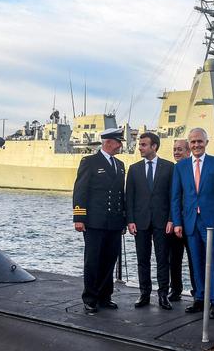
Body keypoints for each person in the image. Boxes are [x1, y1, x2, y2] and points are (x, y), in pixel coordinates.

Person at [171, 127, 214, 319]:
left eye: (199, 141)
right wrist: (177, 222)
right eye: (193, 142)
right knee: (195, 262)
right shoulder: (181, 166)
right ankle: (200, 298)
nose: (196, 145)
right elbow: (176, 197)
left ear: (206, 142)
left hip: (212, 223)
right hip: (190, 223)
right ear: (189, 144)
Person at [73, 127, 126, 315]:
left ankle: (105, 296)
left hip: (114, 222)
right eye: (119, 142)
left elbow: (121, 194)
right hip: (94, 222)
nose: (120, 146)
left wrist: (124, 220)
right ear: (108, 142)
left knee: (109, 260)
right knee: (93, 261)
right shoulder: (90, 162)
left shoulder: (120, 165)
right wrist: (79, 218)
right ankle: (90, 298)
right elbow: (80, 190)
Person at [126, 132, 174, 310]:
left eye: (144, 145)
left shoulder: (169, 167)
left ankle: (163, 295)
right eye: (140, 144)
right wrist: (130, 220)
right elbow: (129, 197)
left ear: (154, 146)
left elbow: (173, 197)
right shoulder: (134, 168)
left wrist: (171, 219)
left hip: (162, 222)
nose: (140, 147)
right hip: (140, 221)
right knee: (142, 259)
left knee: (163, 260)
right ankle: (144, 294)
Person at [168, 139, 195, 301]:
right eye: (174, 149)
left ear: (188, 151)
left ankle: (197, 290)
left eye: (180, 149)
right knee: (174, 260)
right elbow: (170, 199)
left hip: (192, 223)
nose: (177, 152)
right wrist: (171, 220)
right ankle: (176, 289)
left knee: (194, 259)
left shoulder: (194, 169)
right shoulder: (171, 170)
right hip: (174, 222)